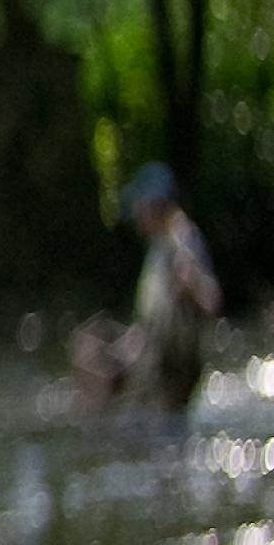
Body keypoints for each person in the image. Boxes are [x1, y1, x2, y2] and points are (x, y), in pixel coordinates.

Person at [73, 162, 220, 413]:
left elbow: (209, 298)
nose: (136, 212)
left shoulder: (180, 239)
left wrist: (190, 283)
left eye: (140, 204)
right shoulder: (160, 243)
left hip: (170, 368)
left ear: (155, 204)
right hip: (156, 363)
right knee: (88, 344)